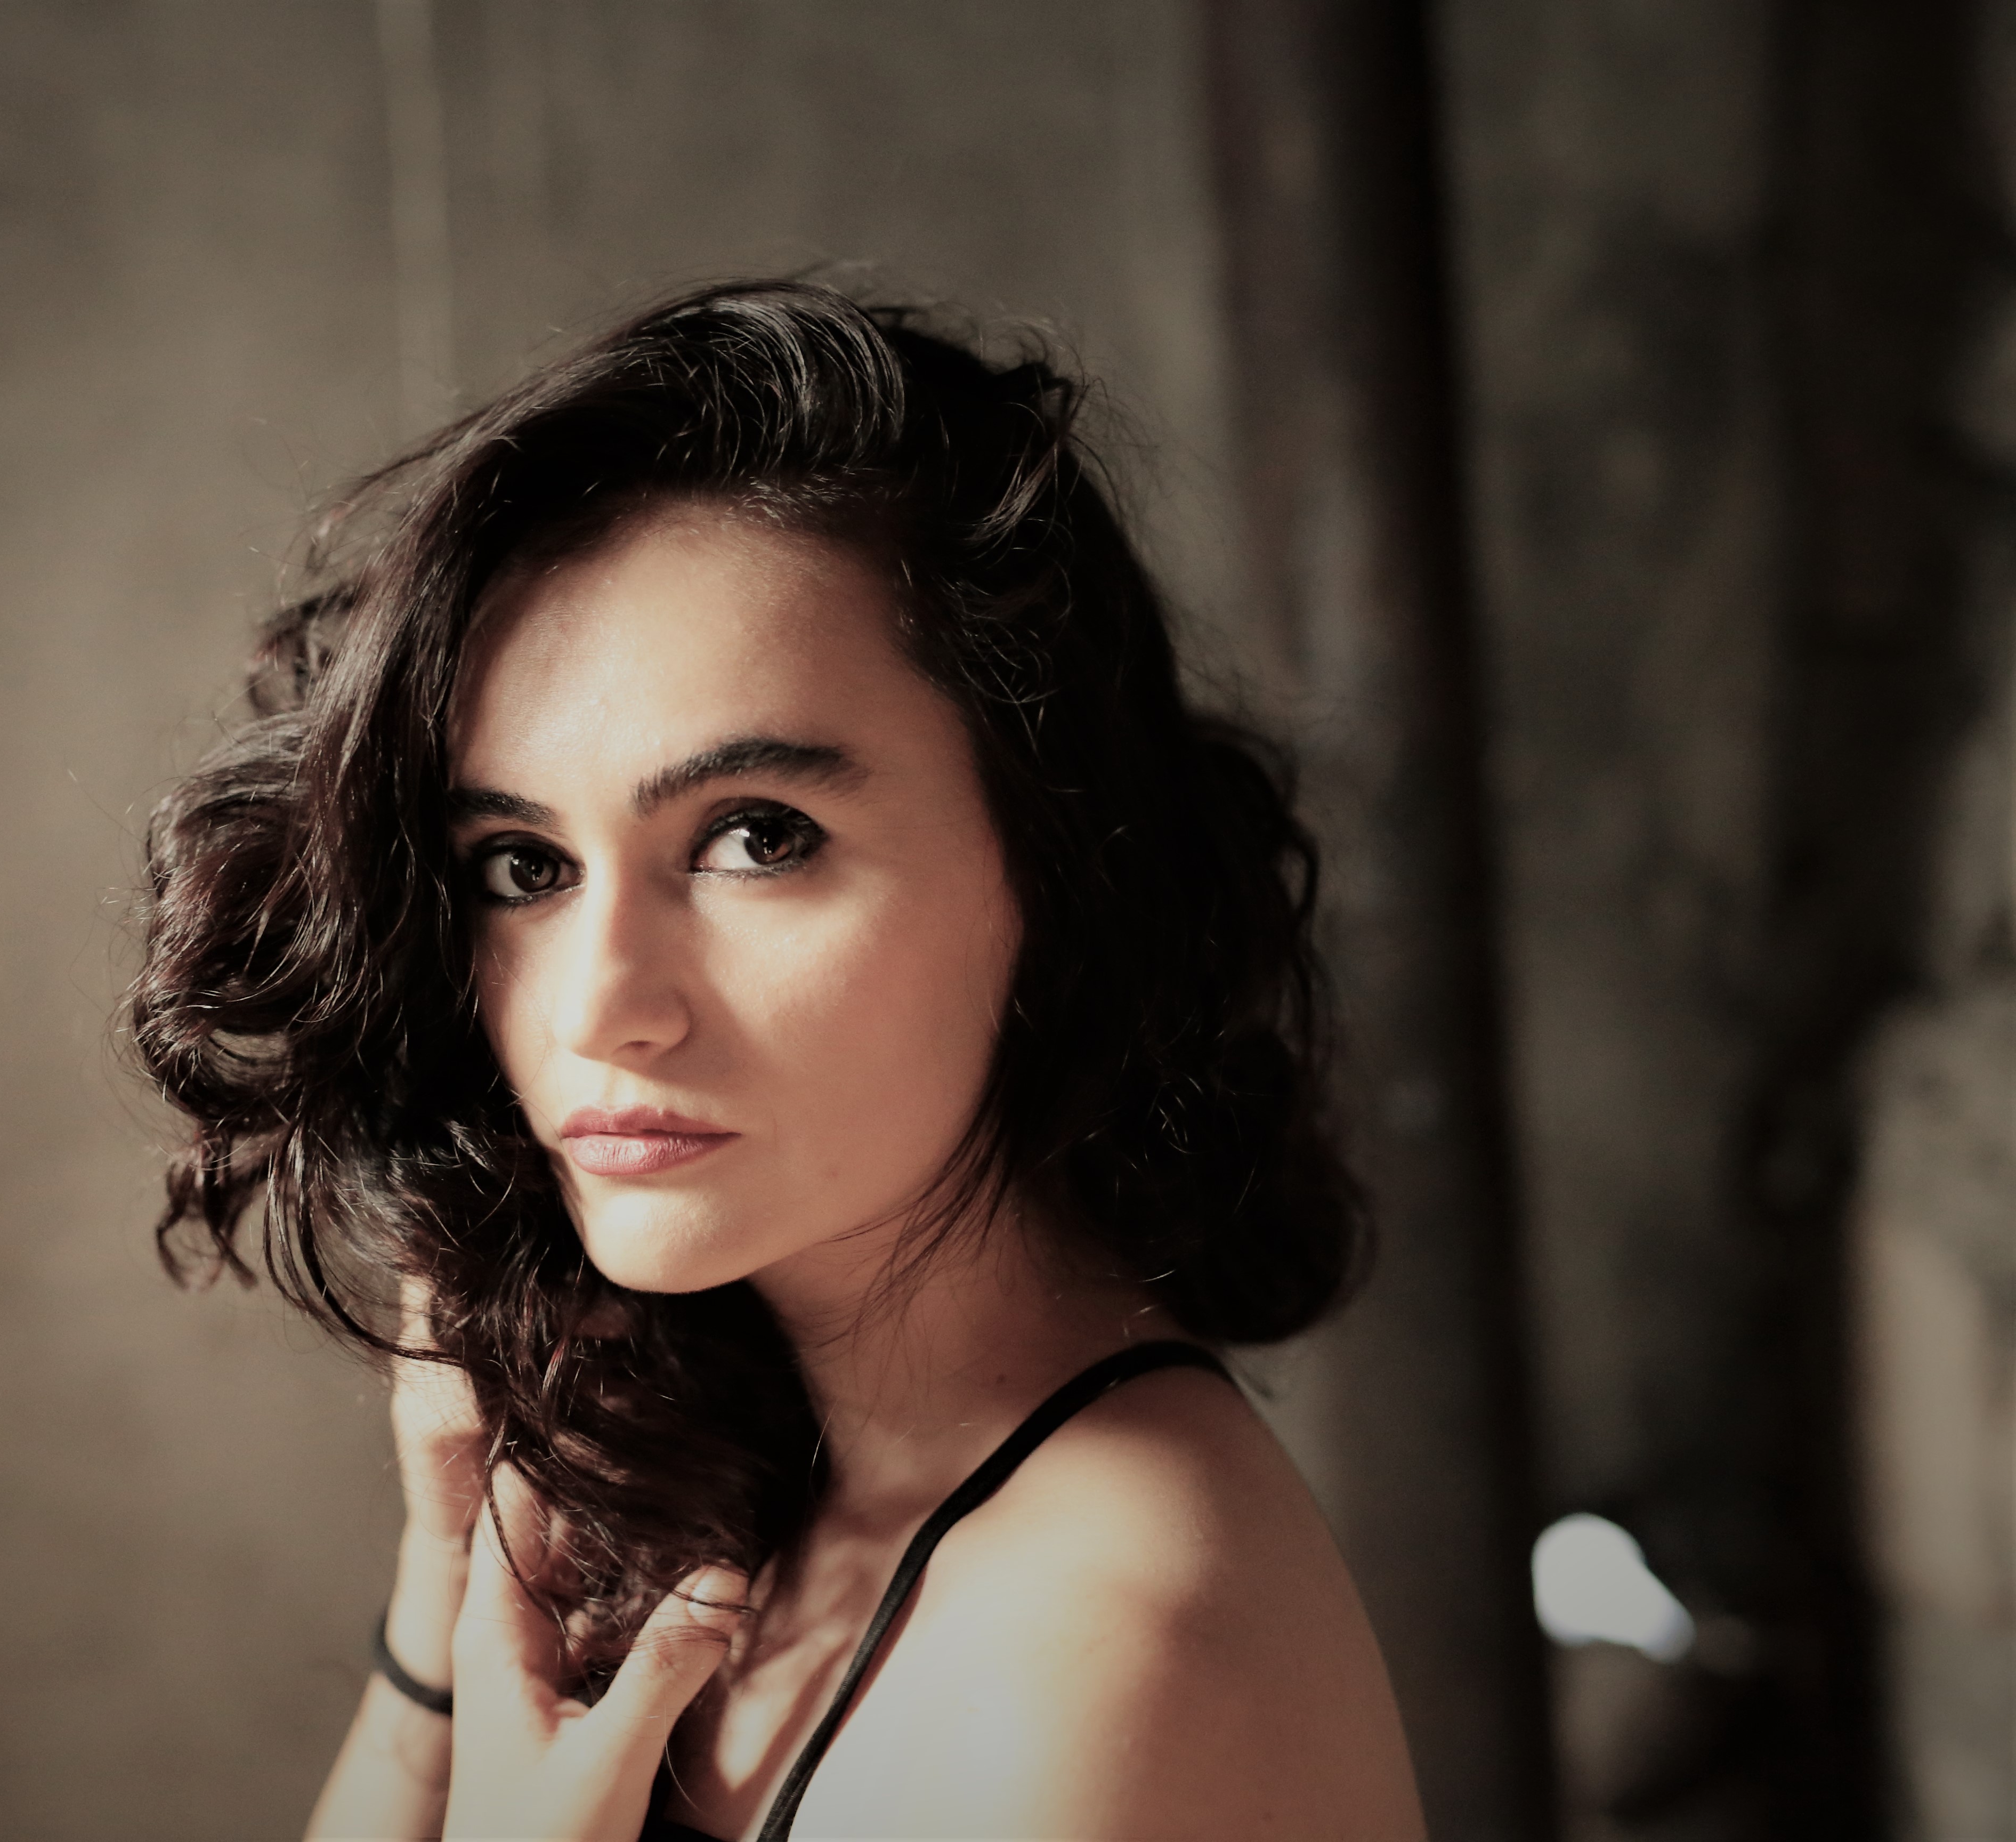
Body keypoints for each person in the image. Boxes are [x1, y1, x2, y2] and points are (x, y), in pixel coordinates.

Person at [128, 280, 1423, 1840]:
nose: (603, 1003)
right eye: (524, 867)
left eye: (758, 837)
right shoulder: (758, 1470)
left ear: (1053, 864)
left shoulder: (1107, 1660)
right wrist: (445, 1602)